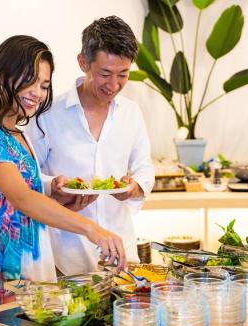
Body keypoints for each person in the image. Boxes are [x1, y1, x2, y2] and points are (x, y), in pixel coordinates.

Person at [0, 35, 126, 312]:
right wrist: (92, 229)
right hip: (3, 270)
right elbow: (22, 198)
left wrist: (62, 202)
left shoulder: (15, 132)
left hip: (31, 265)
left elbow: (18, 206)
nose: (37, 92)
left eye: (44, 85)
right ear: (3, 74)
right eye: (29, 80)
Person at [26, 16, 155, 275]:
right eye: (105, 74)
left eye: (123, 74)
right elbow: (27, 177)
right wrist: (55, 185)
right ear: (83, 63)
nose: (114, 85)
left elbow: (144, 167)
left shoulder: (131, 113)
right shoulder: (47, 114)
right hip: (64, 254)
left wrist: (133, 187)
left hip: (121, 250)